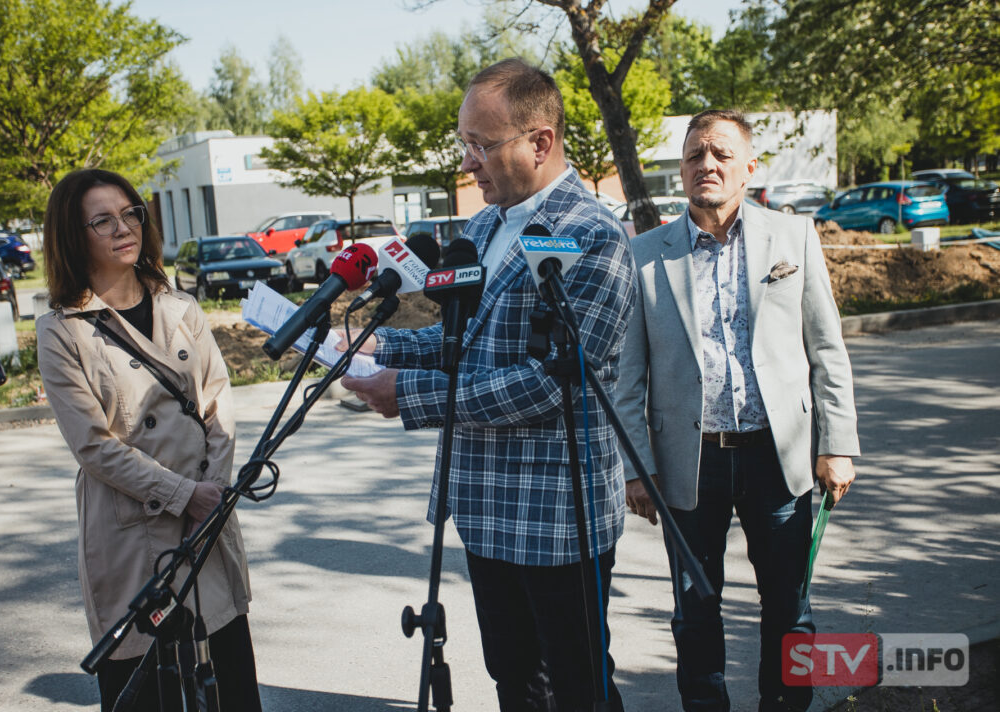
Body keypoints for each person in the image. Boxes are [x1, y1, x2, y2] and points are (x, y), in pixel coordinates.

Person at [340, 59, 636, 710]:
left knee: (577, 687)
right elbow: (458, 345)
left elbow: (547, 383)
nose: (467, 164)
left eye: (480, 145)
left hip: (557, 516)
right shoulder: (482, 229)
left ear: (540, 142)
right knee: (514, 678)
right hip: (482, 507)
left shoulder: (593, 236)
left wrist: (406, 395)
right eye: (464, 144)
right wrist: (368, 346)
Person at [614, 110, 860, 712]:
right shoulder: (645, 255)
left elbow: (826, 349)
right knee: (694, 614)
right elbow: (627, 378)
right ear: (681, 169)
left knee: (789, 609)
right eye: (696, 155)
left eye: (722, 154)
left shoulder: (793, 238)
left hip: (778, 458)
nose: (708, 165)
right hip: (688, 464)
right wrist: (635, 468)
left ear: (749, 167)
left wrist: (837, 444)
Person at [36, 169, 260, 712]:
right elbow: (93, 445)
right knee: (145, 686)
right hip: (132, 528)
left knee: (229, 677)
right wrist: (184, 494)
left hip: (206, 517)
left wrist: (212, 490)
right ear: (73, 235)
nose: (123, 227)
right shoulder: (62, 329)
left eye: (131, 212)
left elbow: (217, 404)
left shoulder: (181, 308)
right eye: (103, 220)